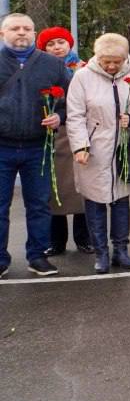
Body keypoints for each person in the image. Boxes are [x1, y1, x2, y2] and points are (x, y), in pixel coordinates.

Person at [66, 33, 130, 273]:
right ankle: (101, 253)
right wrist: (80, 146)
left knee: (121, 200)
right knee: (95, 201)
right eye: (105, 61)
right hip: (94, 150)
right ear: (96, 56)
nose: (111, 66)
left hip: (123, 148)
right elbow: (75, 115)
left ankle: (121, 250)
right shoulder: (82, 77)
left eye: (116, 61)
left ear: (125, 57)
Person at [0, 14, 70, 277]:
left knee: (39, 204)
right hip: (2, 146)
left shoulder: (52, 65)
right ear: (2, 33)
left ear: (34, 33)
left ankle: (38, 256)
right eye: (14, 28)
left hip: (38, 147)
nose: (21, 33)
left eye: (27, 29)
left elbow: (70, 100)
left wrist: (59, 117)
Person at [38, 26, 91, 256]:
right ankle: (56, 242)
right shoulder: (38, 70)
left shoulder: (85, 69)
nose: (56, 47)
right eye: (50, 44)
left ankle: (84, 239)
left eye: (60, 42)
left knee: (83, 189)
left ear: (70, 44)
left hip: (79, 134)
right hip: (52, 136)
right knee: (53, 190)